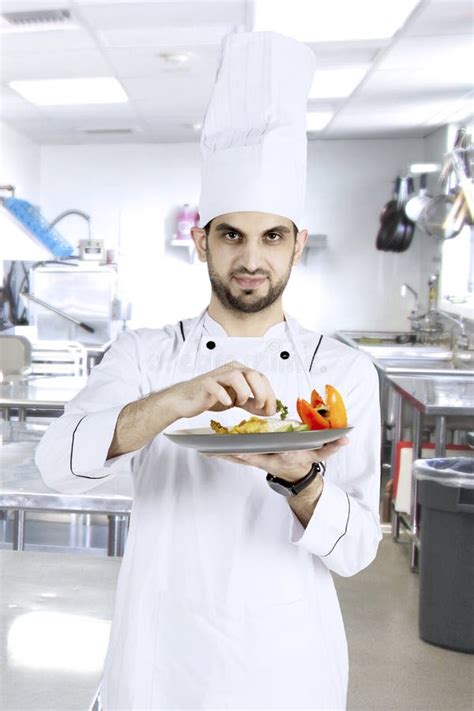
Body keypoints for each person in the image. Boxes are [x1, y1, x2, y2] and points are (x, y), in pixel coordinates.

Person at [36, 32, 382, 711]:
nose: (251, 258)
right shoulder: (145, 354)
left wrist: (300, 474)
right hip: (158, 664)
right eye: (231, 234)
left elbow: (360, 547)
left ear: (297, 245)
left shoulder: (342, 371)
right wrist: (175, 399)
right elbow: (56, 463)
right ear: (201, 240)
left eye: (272, 235)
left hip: (288, 669)